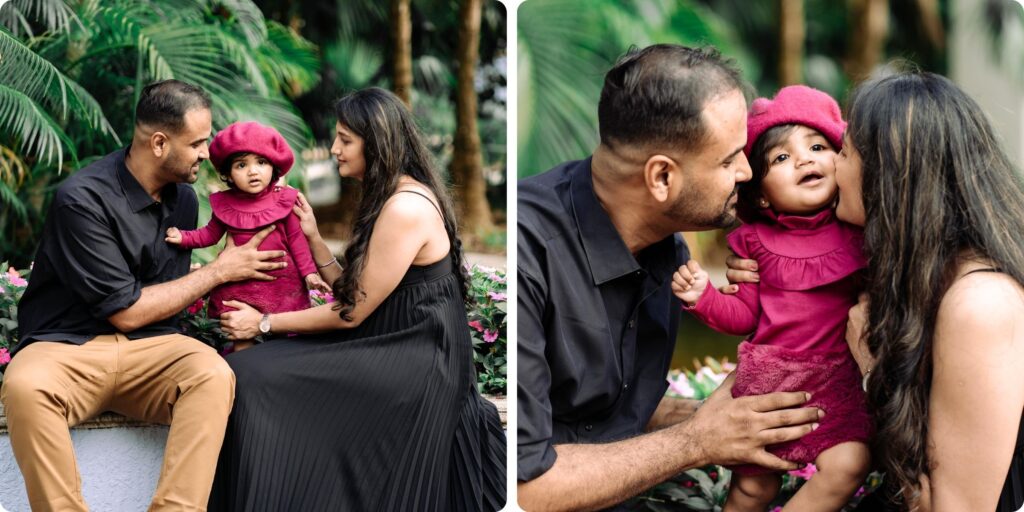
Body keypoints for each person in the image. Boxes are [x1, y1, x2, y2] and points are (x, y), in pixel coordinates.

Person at [517, 44, 824, 511]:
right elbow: (527, 489)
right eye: (729, 160)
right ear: (661, 177)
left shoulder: (668, 250)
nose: (747, 172)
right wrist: (697, 441)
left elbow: (601, 407)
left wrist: (717, 419)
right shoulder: (527, 251)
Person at [207, 87, 505, 511]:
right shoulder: (389, 195)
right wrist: (311, 236)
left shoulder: (404, 208)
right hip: (391, 341)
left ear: (377, 142)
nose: (334, 148)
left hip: (416, 364)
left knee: (252, 374)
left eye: (345, 139)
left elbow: (349, 313)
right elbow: (358, 290)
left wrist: (264, 323)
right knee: (249, 369)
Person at [0, 79, 286, 511]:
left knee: (211, 375)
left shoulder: (184, 200)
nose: (207, 154)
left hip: (153, 349)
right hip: (68, 347)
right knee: (24, 386)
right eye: (197, 143)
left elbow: (163, 294)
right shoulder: (82, 200)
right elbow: (127, 312)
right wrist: (218, 270)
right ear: (158, 143)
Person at [673, 85, 871, 511]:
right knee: (752, 488)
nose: (803, 159)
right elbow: (744, 315)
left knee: (849, 462)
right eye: (781, 158)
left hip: (838, 378)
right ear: (761, 193)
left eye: (818, 146)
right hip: (771, 378)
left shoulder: (860, 233)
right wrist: (704, 297)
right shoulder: (754, 243)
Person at [836, 71, 1024, 512]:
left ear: (887, 177)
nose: (831, 166)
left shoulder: (980, 305)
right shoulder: (929, 276)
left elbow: (955, 506)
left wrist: (870, 368)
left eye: (842, 152)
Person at [166, 121, 329, 350]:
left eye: (261, 162)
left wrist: (310, 273)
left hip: (281, 285)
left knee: (284, 340)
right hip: (240, 288)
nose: (253, 171)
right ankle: (242, 371)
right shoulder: (226, 205)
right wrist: (183, 238)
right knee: (241, 338)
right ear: (228, 174)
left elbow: (297, 240)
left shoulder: (284, 201)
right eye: (241, 165)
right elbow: (209, 235)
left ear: (273, 166)